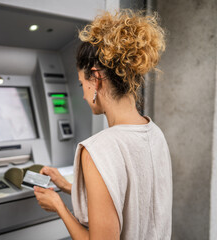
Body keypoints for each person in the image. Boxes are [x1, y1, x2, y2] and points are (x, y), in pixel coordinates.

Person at [34, 9, 172, 240]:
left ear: (96, 79)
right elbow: (131, 200)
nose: (84, 96)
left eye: (81, 85)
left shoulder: (97, 149)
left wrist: (58, 205)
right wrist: (68, 186)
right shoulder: (154, 132)